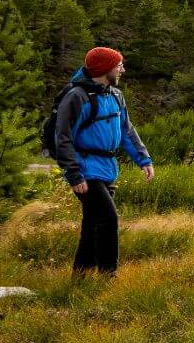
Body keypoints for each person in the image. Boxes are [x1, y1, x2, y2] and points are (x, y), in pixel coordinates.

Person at [50, 45, 154, 274]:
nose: (123, 70)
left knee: (92, 224)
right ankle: (109, 274)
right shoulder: (77, 97)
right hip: (85, 170)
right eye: (119, 66)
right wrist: (74, 174)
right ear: (105, 69)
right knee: (108, 218)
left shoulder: (116, 95)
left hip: (107, 168)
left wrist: (143, 159)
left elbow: (127, 130)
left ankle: (81, 275)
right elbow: (63, 137)